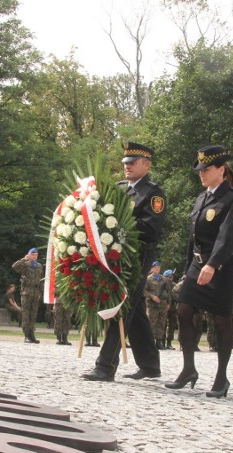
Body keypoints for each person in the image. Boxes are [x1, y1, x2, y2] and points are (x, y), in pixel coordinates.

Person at [165, 145, 233, 397]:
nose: (201, 174)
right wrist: (190, 266)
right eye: (200, 169)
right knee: (183, 310)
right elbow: (194, 238)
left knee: (221, 321)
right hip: (198, 266)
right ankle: (189, 368)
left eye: (207, 169)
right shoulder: (202, 198)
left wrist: (213, 264)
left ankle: (221, 378)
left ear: (221, 170)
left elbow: (228, 237)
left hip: (220, 268)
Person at [83, 142, 166, 382]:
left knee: (122, 306)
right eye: (126, 163)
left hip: (137, 257)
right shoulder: (118, 188)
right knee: (135, 309)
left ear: (146, 165)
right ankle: (150, 365)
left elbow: (151, 229)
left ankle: (105, 365)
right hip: (115, 257)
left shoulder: (153, 193)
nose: (127, 167)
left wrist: (119, 226)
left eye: (133, 163)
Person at [12, 249, 43, 343]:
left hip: (35, 292)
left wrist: (40, 292)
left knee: (33, 315)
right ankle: (26, 335)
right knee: (26, 314)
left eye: (36, 255)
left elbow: (40, 280)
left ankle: (32, 334)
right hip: (26, 292)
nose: (34, 256)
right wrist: (24, 259)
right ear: (29, 255)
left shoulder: (39, 266)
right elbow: (14, 266)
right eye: (33, 254)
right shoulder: (25, 264)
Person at [144, 261, 170, 349]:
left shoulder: (164, 279)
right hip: (152, 306)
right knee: (152, 324)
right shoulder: (148, 279)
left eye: (158, 267)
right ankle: (151, 342)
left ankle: (159, 343)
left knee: (161, 324)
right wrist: (152, 297)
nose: (157, 269)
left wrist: (169, 303)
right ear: (152, 268)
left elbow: (168, 292)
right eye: (155, 267)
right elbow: (144, 291)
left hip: (163, 305)